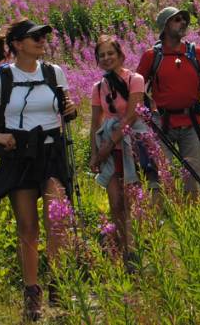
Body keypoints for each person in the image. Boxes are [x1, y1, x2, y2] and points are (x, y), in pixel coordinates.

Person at [0, 19, 77, 321]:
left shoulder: (55, 72)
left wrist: (71, 109)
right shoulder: (1, 77)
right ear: (16, 44)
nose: (41, 40)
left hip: (51, 151)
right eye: (34, 36)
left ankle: (57, 283)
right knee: (28, 228)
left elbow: (66, 106)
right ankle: (32, 292)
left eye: (43, 36)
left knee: (58, 220)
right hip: (20, 155)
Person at [136, 7, 200, 198]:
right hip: (163, 124)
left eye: (184, 20)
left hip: (192, 122)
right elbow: (137, 86)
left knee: (195, 175)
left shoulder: (197, 53)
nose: (183, 23)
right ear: (165, 26)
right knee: (163, 173)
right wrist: (143, 114)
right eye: (177, 20)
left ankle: (194, 212)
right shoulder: (151, 56)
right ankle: (166, 213)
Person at [88, 35, 145, 268]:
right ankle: (125, 252)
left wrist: (108, 144)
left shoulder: (135, 79)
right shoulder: (98, 87)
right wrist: (95, 154)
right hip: (110, 153)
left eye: (111, 53)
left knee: (134, 201)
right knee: (116, 204)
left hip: (131, 147)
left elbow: (132, 115)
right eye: (101, 55)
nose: (106, 58)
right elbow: (95, 123)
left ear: (121, 55)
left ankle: (137, 248)